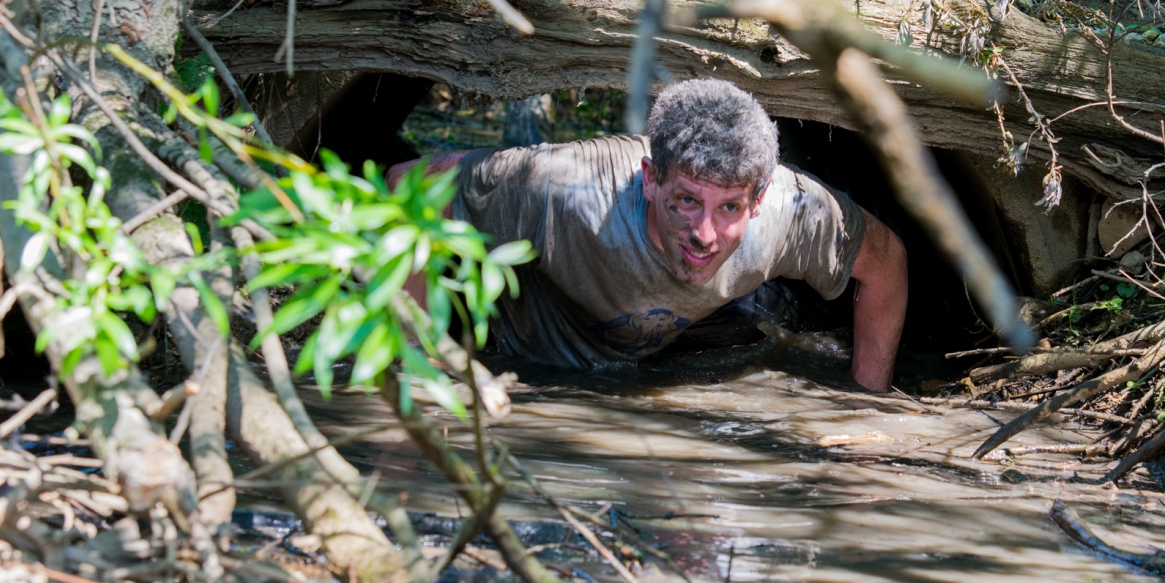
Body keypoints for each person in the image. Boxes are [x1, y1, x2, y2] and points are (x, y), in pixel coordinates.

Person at [387, 79, 908, 391]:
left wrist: (869, 404)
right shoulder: (566, 191)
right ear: (650, 178)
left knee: (783, 320)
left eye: (729, 207)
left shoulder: (790, 211)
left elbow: (887, 263)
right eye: (685, 200)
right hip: (537, 350)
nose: (704, 232)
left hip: (691, 336)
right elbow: (409, 183)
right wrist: (424, 367)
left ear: (760, 195)